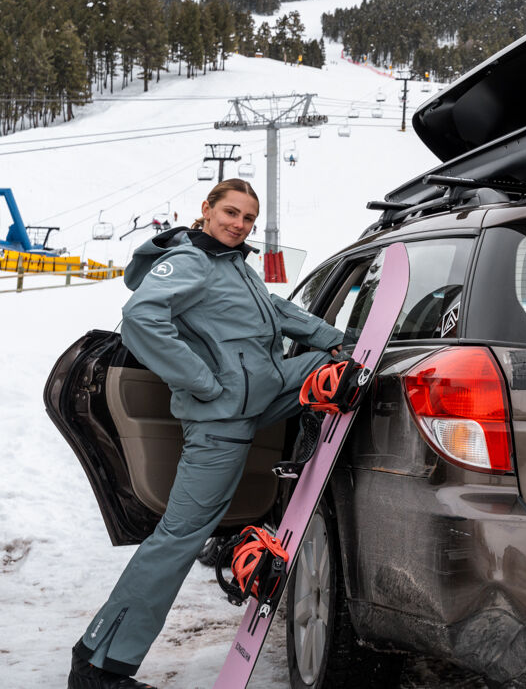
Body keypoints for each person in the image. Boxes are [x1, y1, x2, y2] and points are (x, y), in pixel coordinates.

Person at [69, 179, 344, 689]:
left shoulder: (233, 263)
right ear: (207, 210)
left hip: (260, 396)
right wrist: (201, 381)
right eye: (230, 213)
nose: (238, 225)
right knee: (179, 537)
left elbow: (278, 313)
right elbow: (140, 317)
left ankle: (322, 405)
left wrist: (341, 343)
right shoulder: (192, 260)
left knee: (331, 367)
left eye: (248, 219)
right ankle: (99, 662)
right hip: (220, 418)